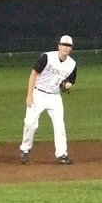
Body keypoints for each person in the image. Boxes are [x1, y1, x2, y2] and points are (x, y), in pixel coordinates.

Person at [19, 34, 77, 165]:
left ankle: (62, 154)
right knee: (30, 123)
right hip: (38, 93)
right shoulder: (47, 57)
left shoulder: (72, 64)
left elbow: (72, 81)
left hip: (55, 96)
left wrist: (66, 85)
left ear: (71, 48)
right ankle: (25, 149)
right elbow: (34, 73)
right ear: (59, 46)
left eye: (68, 46)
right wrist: (29, 94)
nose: (65, 48)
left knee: (59, 125)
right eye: (63, 45)